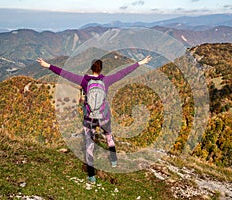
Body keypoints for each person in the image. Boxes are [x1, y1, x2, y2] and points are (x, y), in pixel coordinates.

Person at [36, 55, 152, 183]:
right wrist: (140, 62)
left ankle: (91, 176)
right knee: (109, 136)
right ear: (101, 69)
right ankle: (113, 161)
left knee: (89, 145)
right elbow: (123, 72)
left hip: (89, 118)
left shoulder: (84, 81)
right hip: (104, 117)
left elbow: (65, 74)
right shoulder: (106, 81)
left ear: (91, 69)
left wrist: (48, 66)